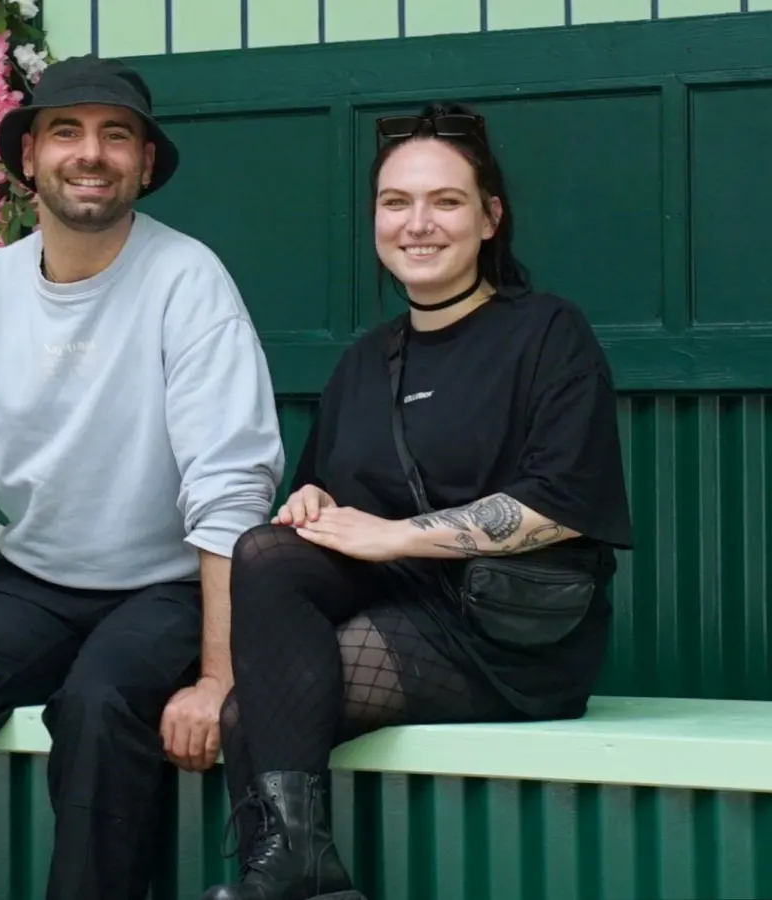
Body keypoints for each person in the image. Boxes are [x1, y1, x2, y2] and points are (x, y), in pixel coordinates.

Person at [0, 55, 286, 900]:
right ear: (30, 156)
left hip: (169, 586)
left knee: (100, 707)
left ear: (145, 165)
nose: (92, 153)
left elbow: (229, 492)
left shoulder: (188, 282)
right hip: (36, 583)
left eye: (117, 136)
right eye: (68, 132)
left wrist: (219, 679)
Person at [201, 103, 633, 900]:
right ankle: (303, 871)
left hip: (513, 636)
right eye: (396, 202)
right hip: (405, 615)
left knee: (251, 718)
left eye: (446, 201)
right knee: (265, 571)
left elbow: (564, 502)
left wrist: (397, 537)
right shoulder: (367, 363)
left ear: (490, 218)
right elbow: (330, 503)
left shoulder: (547, 334)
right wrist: (313, 502)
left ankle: (302, 875)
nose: (418, 223)